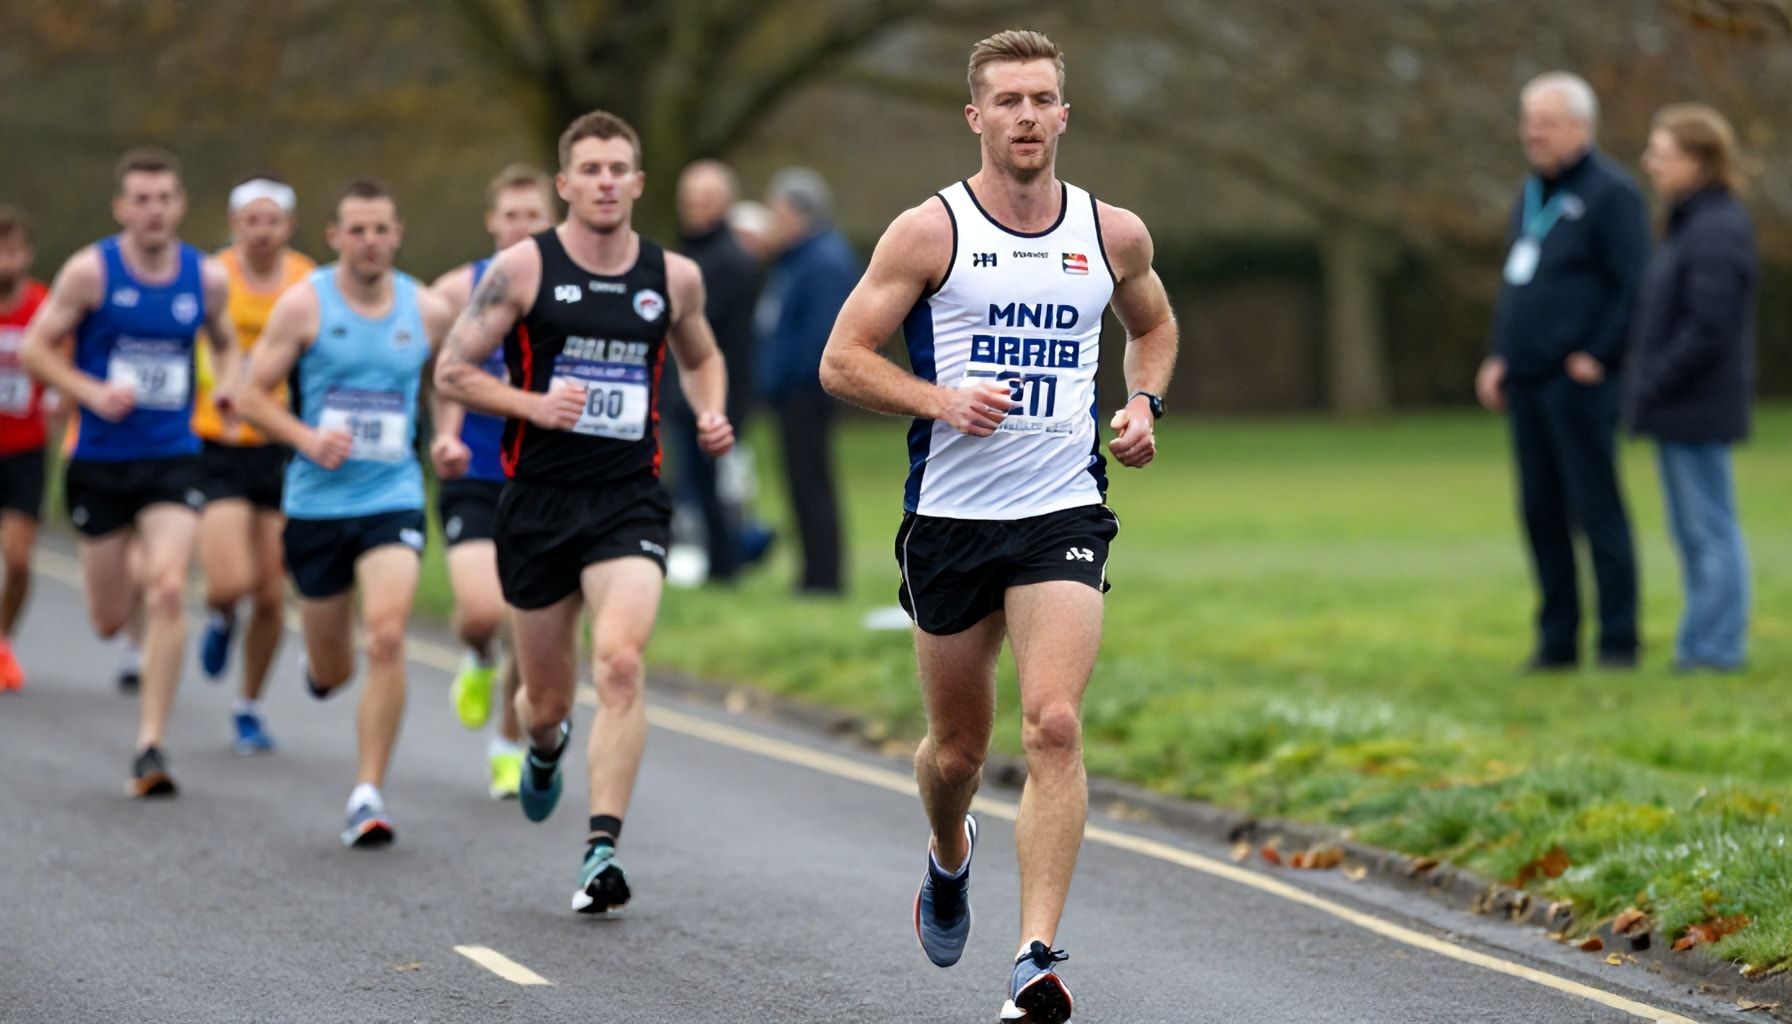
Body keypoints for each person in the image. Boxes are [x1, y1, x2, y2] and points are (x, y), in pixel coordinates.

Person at [819, 30, 1177, 1024]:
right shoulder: (928, 233)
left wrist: (1142, 403)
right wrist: (938, 400)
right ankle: (948, 852)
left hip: (1061, 510)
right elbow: (841, 360)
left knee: (1053, 722)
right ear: (976, 116)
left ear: (1064, 114)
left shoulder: (1113, 233)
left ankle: (1033, 957)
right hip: (949, 520)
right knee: (957, 754)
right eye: (1008, 100)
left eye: (1042, 98)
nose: (1027, 115)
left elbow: (1151, 325)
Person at [435, 110, 733, 913]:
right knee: (546, 704)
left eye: (618, 169)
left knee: (623, 662)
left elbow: (703, 355)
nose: (605, 182)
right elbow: (452, 370)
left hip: (628, 499)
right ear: (565, 184)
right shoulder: (521, 269)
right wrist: (531, 405)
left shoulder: (675, 277)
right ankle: (542, 748)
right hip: (536, 503)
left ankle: (601, 847)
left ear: (637, 182)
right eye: (590, 170)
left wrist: (711, 410)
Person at [237, 178, 456, 846]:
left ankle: (367, 793)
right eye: (356, 230)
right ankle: (321, 669)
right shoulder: (305, 305)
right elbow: (250, 395)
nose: (369, 242)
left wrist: (446, 434)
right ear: (334, 236)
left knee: (387, 636)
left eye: (380, 229)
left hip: (393, 495)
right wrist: (306, 439)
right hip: (316, 503)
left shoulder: (428, 309)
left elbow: (450, 382)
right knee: (334, 670)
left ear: (398, 234)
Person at [20, 147, 242, 796]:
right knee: (108, 617)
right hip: (100, 462)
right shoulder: (91, 272)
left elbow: (227, 342)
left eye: (164, 199)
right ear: (122, 208)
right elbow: (35, 349)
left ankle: (151, 745)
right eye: (141, 200)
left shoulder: (205, 278)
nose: (154, 211)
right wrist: (89, 391)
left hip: (174, 455)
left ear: (180, 206)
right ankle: (134, 607)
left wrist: (229, 389)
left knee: (170, 587)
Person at [1476, 71, 1649, 671]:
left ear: (1581, 126)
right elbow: (1516, 286)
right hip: (1526, 382)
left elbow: (1633, 287)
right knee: (1541, 513)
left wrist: (1598, 355)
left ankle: (1619, 641)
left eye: (1546, 123)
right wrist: (1499, 354)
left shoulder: (1612, 194)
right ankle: (1557, 641)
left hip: (1579, 385)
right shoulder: (1530, 194)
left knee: (1595, 510)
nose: (1533, 134)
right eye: (1529, 122)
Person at [429, 163, 556, 798]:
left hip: (543, 476)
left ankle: (507, 743)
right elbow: (439, 366)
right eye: (511, 216)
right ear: (491, 222)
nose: (521, 227)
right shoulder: (458, 289)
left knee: (527, 624)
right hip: (476, 471)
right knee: (482, 614)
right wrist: (445, 434)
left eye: (533, 216)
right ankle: (476, 656)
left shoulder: (571, 288)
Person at [1629, 104, 1758, 672]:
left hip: (1697, 405)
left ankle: (1715, 649)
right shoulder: (1689, 225)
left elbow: (1710, 325)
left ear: (1698, 160)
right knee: (1691, 531)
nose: (1649, 163)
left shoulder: (1716, 229)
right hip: (1679, 405)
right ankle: (1701, 643)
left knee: (1711, 529)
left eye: (1660, 153)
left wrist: (1655, 378)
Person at [193, 174, 314, 754]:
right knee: (230, 583)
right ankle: (220, 615)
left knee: (270, 595)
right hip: (217, 440)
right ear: (234, 225)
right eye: (251, 221)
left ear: (289, 227)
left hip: (279, 443)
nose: (262, 232)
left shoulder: (307, 281)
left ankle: (249, 705)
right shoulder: (211, 275)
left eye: (273, 221)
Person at [758, 167, 857, 595]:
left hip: (807, 392)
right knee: (800, 483)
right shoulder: (797, 259)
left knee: (812, 483)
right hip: (791, 392)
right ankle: (811, 573)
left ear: (801, 213)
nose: (771, 221)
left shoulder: (824, 261)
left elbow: (822, 335)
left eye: (777, 212)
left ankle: (823, 577)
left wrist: (791, 379)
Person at [670, 159, 763, 585]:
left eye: (705, 198)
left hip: (720, 392)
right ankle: (712, 561)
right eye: (689, 198)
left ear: (725, 203)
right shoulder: (688, 254)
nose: (695, 206)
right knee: (694, 481)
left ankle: (726, 565)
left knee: (718, 484)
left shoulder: (732, 260)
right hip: (681, 391)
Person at [0, 206, 59, 692]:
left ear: (27, 254)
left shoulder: (45, 305)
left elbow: (64, 362)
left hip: (25, 450)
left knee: (18, 559)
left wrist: (60, 401)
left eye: (12, 251)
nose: (5, 261)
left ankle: (2, 642)